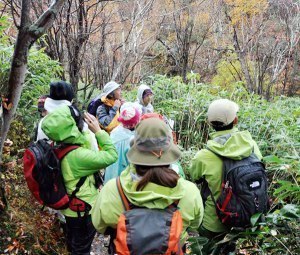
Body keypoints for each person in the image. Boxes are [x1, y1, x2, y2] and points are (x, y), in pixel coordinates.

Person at [92, 118, 203, 251]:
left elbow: (100, 225)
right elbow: (195, 224)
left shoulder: (113, 189)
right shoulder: (189, 191)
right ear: (169, 153)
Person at [189, 99, 262, 254]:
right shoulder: (252, 146)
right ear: (235, 120)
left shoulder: (204, 156)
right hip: (244, 217)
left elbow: (195, 176)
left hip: (214, 222)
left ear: (209, 123)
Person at [41, 105, 118, 255]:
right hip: (83, 211)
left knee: (75, 243)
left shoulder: (58, 146)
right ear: (72, 128)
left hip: (70, 209)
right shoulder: (78, 156)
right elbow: (111, 155)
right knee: (81, 248)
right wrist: (99, 132)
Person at [104, 102, 141, 183]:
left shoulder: (114, 132)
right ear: (134, 124)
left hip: (110, 175)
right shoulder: (131, 139)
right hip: (124, 177)